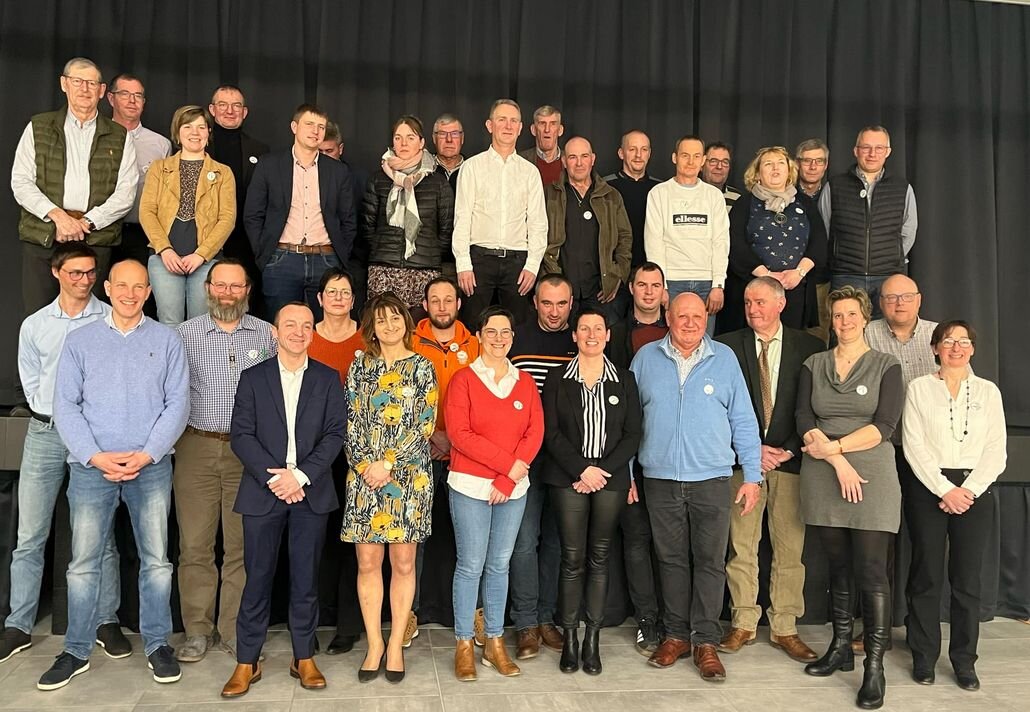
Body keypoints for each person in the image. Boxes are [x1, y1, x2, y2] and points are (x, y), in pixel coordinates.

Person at [46, 259, 188, 690]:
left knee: (157, 562)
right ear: (107, 288)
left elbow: (178, 403)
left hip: (151, 468)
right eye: (121, 285)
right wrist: (94, 455)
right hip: (92, 469)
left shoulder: (167, 341)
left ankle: (158, 644)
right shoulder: (80, 341)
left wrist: (147, 454)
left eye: (139, 287)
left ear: (149, 292)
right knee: (83, 565)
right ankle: (75, 649)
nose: (130, 293)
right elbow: (65, 405)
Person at [0, 244, 129, 666]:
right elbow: (31, 381)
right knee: (29, 536)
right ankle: (18, 625)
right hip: (45, 431)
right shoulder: (35, 325)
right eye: (75, 273)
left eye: (90, 273)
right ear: (57, 273)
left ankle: (105, 622)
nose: (84, 280)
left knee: (101, 537)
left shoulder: (110, 318)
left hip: (94, 437)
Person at [630, 292, 762, 683]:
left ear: (707, 318)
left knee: (709, 562)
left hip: (712, 479)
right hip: (660, 479)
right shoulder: (645, 360)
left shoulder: (724, 360)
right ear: (667, 317)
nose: (690, 322)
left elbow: (744, 420)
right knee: (669, 561)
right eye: (682, 315)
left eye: (697, 316)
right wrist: (627, 475)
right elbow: (628, 422)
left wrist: (752, 476)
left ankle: (704, 641)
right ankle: (675, 636)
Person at [221, 302, 346, 697]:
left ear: (313, 332)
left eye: (306, 325)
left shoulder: (327, 379)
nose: (298, 331)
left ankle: (303, 656)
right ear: (274, 331)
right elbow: (241, 434)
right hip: (264, 491)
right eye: (290, 325)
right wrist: (276, 479)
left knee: (306, 581)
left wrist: (301, 476)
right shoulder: (253, 377)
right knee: (256, 579)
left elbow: (334, 435)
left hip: (310, 492)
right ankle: (247, 659)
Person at [796, 285, 904, 710]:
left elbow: (886, 425)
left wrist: (838, 451)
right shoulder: (813, 364)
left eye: (851, 315)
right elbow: (804, 416)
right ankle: (840, 647)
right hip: (824, 474)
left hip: (872, 474)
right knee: (837, 567)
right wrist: (835, 461)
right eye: (837, 316)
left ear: (864, 318)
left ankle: (873, 665)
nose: (844, 323)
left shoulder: (886, 365)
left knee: (872, 572)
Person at [715, 277, 825, 663]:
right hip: (743, 465)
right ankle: (743, 622)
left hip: (791, 462)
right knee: (741, 545)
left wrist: (788, 450)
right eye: (747, 302)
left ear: (781, 303)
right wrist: (749, 451)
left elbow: (815, 406)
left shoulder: (811, 348)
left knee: (790, 549)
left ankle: (785, 628)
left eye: (760, 301)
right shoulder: (726, 347)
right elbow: (720, 408)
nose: (752, 309)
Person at [172, 258, 276, 663]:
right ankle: (197, 631)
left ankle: (235, 630)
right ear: (207, 289)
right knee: (195, 545)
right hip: (196, 447)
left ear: (247, 290)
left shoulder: (267, 336)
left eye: (235, 286)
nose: (227, 293)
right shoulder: (184, 335)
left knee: (242, 547)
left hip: (248, 454)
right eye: (220, 286)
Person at [902, 321, 1007, 692]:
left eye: (963, 342)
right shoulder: (918, 389)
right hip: (929, 488)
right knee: (926, 575)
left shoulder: (988, 392)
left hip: (976, 491)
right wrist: (945, 489)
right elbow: (913, 445)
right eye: (948, 341)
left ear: (973, 349)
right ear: (935, 348)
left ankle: (964, 662)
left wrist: (970, 490)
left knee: (967, 581)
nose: (956, 347)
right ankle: (924, 657)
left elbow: (997, 450)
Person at [342, 292, 438, 684]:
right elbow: (349, 421)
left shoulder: (423, 367)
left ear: (406, 322)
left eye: (395, 317)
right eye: (381, 320)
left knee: (403, 564)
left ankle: (396, 642)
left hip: (408, 479)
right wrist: (367, 466)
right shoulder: (359, 367)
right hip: (363, 477)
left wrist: (388, 465)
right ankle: (374, 643)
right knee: (367, 563)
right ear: (372, 327)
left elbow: (424, 425)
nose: (389, 325)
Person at [445, 305, 545, 681]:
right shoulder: (463, 380)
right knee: (471, 565)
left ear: (512, 338)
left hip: (513, 490)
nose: (499, 339)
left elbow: (534, 432)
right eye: (492, 332)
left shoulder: (524, 382)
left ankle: (495, 642)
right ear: (480, 335)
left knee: (499, 565)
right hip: (470, 487)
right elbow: (460, 434)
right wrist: (506, 467)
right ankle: (464, 643)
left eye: (506, 332)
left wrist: (507, 479)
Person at [542, 308, 642, 675]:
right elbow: (550, 433)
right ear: (574, 336)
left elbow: (633, 434)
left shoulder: (625, 380)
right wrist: (582, 469)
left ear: (608, 336)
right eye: (584, 328)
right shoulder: (556, 379)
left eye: (598, 328)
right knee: (572, 559)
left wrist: (601, 472)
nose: (591, 334)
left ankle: (593, 639)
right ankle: (569, 638)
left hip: (609, 480)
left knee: (600, 557)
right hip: (568, 478)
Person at [12, 57, 138, 314]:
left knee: (93, 320)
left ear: (102, 91)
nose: (84, 89)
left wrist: (87, 222)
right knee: (40, 317)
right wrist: (58, 217)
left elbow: (126, 192)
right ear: (64, 84)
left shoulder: (119, 135)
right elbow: (21, 182)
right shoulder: (39, 126)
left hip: (95, 238)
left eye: (91, 83)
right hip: (44, 236)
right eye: (77, 81)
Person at [507, 275, 577, 659]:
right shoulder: (516, 340)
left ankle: (547, 619)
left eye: (561, 304)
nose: (554, 312)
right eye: (547, 303)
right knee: (523, 543)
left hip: (565, 462)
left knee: (555, 544)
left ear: (570, 303)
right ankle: (526, 624)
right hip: (524, 461)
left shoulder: (578, 341)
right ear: (535, 302)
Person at [410, 277, 481, 642]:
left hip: (464, 455)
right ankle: (409, 613)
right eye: (435, 300)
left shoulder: (479, 345)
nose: (442, 306)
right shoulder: (407, 341)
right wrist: (429, 436)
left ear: (459, 305)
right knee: (413, 540)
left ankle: (474, 615)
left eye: (448, 300)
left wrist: (453, 440)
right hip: (416, 453)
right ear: (424, 304)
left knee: (469, 540)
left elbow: (486, 404)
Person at [605, 261, 668, 654]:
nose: (648, 292)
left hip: (668, 457)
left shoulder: (680, 331)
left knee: (670, 543)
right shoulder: (616, 334)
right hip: (626, 455)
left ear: (664, 291)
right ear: (631, 288)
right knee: (635, 538)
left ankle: (675, 617)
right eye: (641, 285)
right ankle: (646, 619)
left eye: (655, 285)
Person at [243, 104, 357, 320]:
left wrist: (338, 257)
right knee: (281, 327)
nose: (316, 131)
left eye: (321, 127)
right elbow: (253, 214)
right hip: (281, 258)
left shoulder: (338, 171)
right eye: (310, 124)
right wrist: (265, 255)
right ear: (294, 127)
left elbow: (348, 220)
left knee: (324, 328)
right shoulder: (269, 165)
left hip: (326, 259)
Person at [307, 267, 365, 656]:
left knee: (352, 543)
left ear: (353, 299)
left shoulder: (368, 340)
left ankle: (348, 625)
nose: (339, 298)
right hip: (312, 455)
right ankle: (308, 623)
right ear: (320, 299)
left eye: (345, 292)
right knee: (311, 542)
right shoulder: (303, 338)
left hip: (357, 455)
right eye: (332, 291)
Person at [452, 99, 547, 325]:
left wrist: (532, 265)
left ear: (521, 127)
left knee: (517, 329)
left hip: (517, 262)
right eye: (502, 120)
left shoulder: (530, 172)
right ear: (489, 125)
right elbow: (462, 218)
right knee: (474, 326)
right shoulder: (472, 167)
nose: (508, 126)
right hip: (479, 261)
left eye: (513, 121)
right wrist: (463, 264)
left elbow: (537, 223)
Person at [140, 105, 236, 325]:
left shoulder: (223, 172)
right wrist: (164, 250)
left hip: (206, 260)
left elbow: (227, 218)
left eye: (202, 127)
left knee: (202, 324)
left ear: (209, 133)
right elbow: (147, 211)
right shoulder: (159, 168)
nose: (195, 132)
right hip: (164, 258)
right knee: (169, 321)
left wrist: (202, 254)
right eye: (188, 126)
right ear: (177, 132)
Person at [720, 146, 827, 334]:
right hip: (756, 289)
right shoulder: (744, 204)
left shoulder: (805, 203)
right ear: (757, 174)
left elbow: (818, 243)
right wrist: (766, 275)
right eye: (768, 164)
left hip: (795, 288)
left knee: (792, 346)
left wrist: (799, 272)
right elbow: (735, 245)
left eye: (780, 164)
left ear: (789, 171)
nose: (775, 168)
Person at [819, 126, 918, 314]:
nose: (872, 154)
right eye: (866, 148)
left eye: (879, 148)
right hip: (845, 275)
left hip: (888, 277)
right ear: (856, 151)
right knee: (844, 335)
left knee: (886, 336)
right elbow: (823, 228)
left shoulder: (902, 187)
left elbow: (909, 229)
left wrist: (892, 256)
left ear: (887, 152)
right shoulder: (835, 186)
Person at [362, 115, 454, 308]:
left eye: (410, 137)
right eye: (398, 138)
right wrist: (383, 252)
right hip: (383, 268)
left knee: (418, 333)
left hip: (425, 270)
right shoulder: (378, 180)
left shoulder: (437, 182)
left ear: (421, 142)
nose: (403, 143)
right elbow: (367, 228)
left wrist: (429, 253)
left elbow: (446, 231)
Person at [542, 136, 633, 323]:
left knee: (599, 346)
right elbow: (536, 236)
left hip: (600, 292)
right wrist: (553, 279)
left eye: (584, 156)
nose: (579, 163)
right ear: (564, 161)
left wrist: (617, 276)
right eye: (573, 157)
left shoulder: (610, 195)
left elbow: (625, 238)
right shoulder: (549, 194)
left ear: (593, 159)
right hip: (560, 293)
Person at [644, 135, 729, 334]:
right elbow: (654, 242)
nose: (690, 161)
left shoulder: (714, 196)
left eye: (696, 156)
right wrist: (661, 285)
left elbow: (720, 242)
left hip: (707, 284)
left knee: (703, 346)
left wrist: (718, 285)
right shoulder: (659, 193)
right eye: (685, 155)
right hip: (672, 281)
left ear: (703, 161)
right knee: (671, 342)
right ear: (675, 158)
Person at [106, 73, 172, 317]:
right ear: (111, 98)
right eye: (125, 94)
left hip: (143, 232)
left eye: (138, 95)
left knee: (143, 299)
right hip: (103, 229)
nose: (132, 101)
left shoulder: (160, 144)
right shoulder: (96, 138)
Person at [206, 85, 269, 309]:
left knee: (245, 302)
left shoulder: (261, 151)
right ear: (212, 110)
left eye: (236, 106)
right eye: (223, 105)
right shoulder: (198, 147)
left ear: (245, 112)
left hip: (247, 241)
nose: (229, 111)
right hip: (206, 240)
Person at [318, 120, 370, 315]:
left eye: (329, 151)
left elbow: (366, 222)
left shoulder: (359, 178)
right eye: (319, 152)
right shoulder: (305, 176)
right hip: (318, 254)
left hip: (353, 258)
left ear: (340, 148)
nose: (324, 158)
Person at [604, 130, 662, 269]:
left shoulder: (660, 189)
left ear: (649, 153)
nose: (638, 155)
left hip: (651, 269)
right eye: (632, 149)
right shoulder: (605, 187)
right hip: (615, 269)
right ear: (621, 153)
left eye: (643, 150)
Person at [795, 138, 831, 343]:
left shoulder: (834, 194)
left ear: (825, 165)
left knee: (818, 335)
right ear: (797, 163)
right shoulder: (785, 193)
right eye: (807, 160)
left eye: (818, 161)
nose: (812, 166)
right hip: (789, 277)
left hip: (821, 278)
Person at [519, 105, 564, 185]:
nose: (547, 129)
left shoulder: (571, 161)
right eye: (542, 123)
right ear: (533, 130)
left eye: (553, 124)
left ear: (560, 130)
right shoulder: (520, 161)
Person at [701, 141, 742, 210]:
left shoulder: (738, 198)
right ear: (701, 165)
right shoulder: (689, 194)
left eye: (725, 162)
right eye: (713, 161)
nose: (719, 166)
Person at [432, 113, 465, 194]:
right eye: (442, 134)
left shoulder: (472, 169)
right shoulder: (424, 170)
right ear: (434, 138)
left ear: (462, 138)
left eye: (454, 134)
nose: (449, 139)